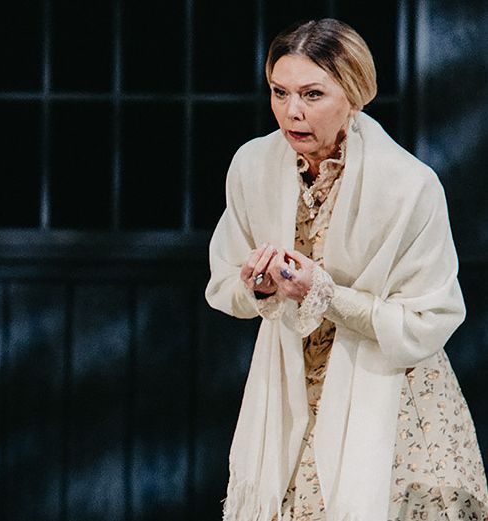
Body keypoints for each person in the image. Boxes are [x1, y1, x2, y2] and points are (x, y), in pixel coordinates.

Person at [205, 18, 487, 521]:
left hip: (391, 397)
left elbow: (431, 318)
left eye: (312, 94)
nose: (292, 111)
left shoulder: (409, 186)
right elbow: (224, 279)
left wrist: (325, 293)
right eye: (280, 92)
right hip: (288, 391)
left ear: (353, 95)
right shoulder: (252, 166)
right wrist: (258, 288)